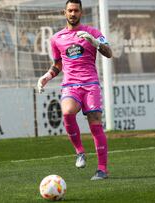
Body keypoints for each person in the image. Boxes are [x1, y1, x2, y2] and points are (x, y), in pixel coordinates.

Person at [37, 0, 112, 180]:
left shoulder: (92, 32)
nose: (73, 14)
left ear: (81, 12)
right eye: (70, 10)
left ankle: (102, 169)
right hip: (70, 85)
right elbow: (58, 64)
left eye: (76, 10)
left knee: (95, 123)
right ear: (65, 12)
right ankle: (80, 152)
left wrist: (96, 43)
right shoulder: (57, 38)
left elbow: (109, 53)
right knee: (67, 112)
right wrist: (46, 77)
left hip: (91, 84)